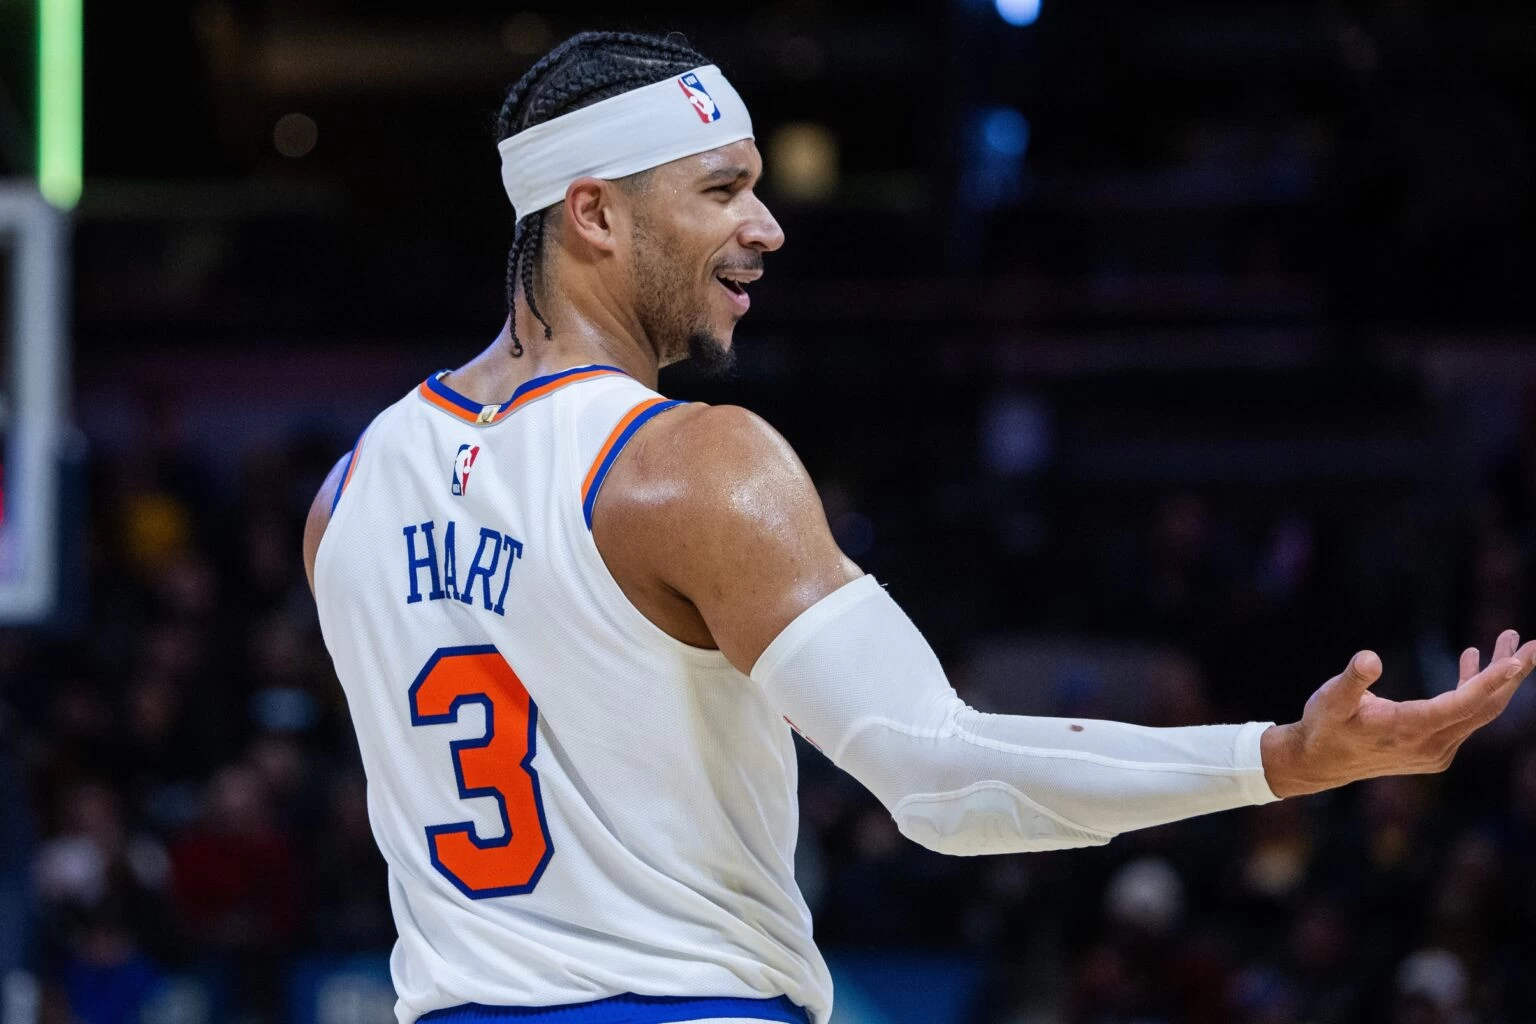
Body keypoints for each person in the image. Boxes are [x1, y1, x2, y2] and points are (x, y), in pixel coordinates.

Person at [302, 30, 1536, 1024]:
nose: (767, 227)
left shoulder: (348, 493)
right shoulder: (688, 464)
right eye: (723, 190)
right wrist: (1276, 759)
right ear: (593, 213)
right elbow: (941, 776)